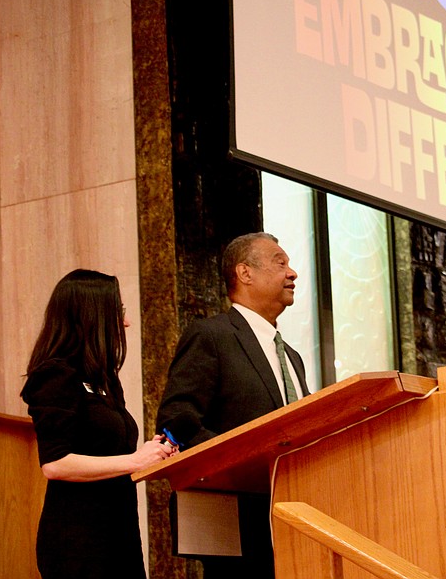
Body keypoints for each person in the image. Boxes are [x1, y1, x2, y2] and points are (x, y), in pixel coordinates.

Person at [156, 232, 310, 578]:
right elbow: (176, 419)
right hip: (233, 521)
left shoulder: (293, 358)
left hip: (293, 518)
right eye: (280, 262)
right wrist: (243, 463)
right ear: (245, 273)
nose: (293, 273)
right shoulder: (212, 335)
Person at [21, 269, 175, 579]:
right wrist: (133, 460)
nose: (126, 322)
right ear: (93, 315)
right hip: (78, 544)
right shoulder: (55, 375)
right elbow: (55, 463)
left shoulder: (103, 380)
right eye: (119, 311)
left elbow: (107, 451)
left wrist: (150, 452)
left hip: (118, 534)